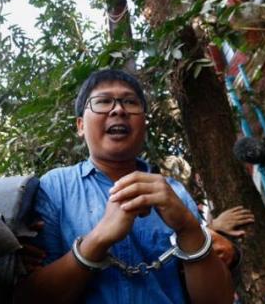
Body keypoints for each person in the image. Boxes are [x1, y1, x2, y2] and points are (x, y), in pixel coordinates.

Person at [20, 69, 233, 303]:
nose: (118, 109)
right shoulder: (54, 187)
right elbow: (30, 296)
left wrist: (189, 228)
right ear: (80, 126)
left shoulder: (175, 193)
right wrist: (99, 239)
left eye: (130, 102)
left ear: (144, 123)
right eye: (103, 101)